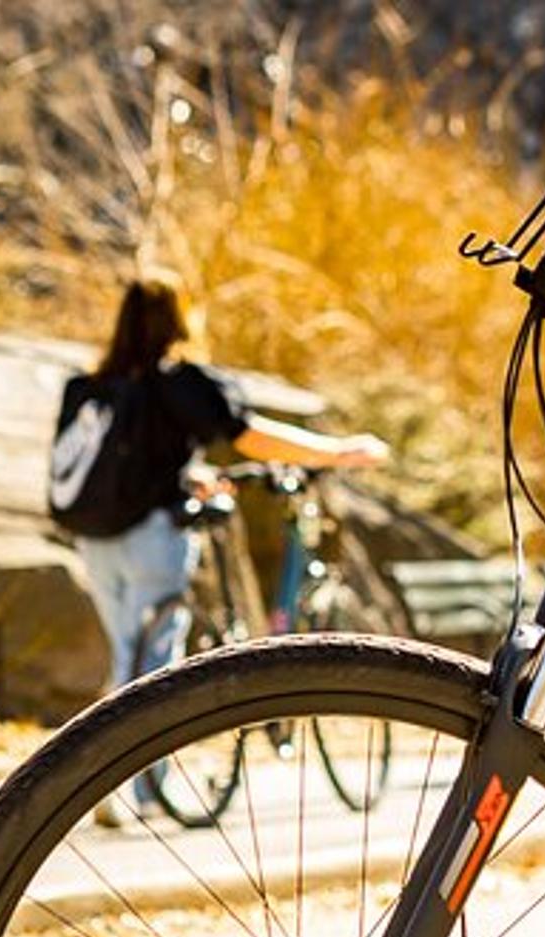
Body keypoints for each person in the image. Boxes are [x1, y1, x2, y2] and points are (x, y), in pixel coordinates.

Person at [51, 271, 385, 820]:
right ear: (178, 319)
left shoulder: (93, 386)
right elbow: (248, 435)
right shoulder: (178, 382)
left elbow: (133, 463)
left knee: (126, 657)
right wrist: (337, 452)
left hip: (94, 538)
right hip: (152, 538)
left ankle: (105, 786)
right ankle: (131, 793)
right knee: (154, 672)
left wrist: (190, 475)